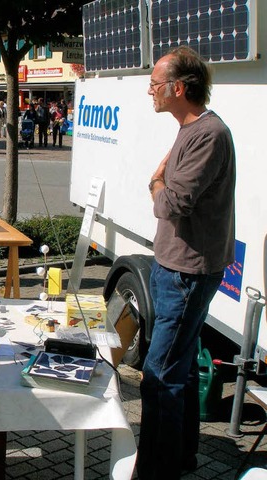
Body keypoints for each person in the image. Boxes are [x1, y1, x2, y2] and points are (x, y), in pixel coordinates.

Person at [138, 46, 236, 480]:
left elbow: (172, 203)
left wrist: (157, 182)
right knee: (179, 372)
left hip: (187, 273)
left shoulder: (207, 134)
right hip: (175, 268)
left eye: (156, 85)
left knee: (158, 377)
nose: (150, 92)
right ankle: (180, 459)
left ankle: (157, 469)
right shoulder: (191, 129)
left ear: (179, 88)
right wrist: (161, 184)